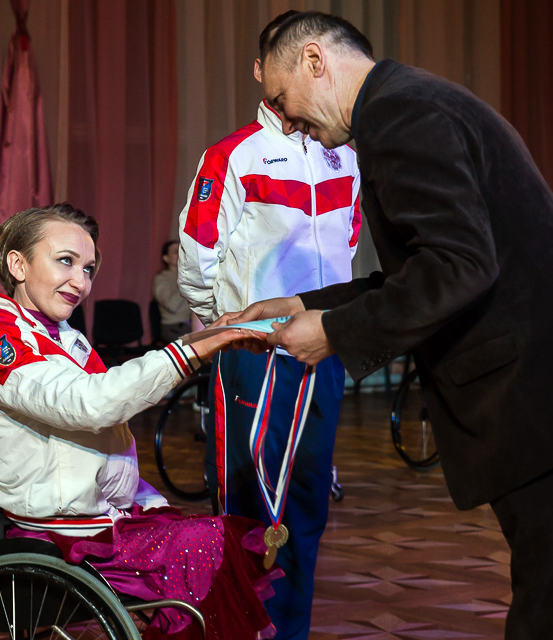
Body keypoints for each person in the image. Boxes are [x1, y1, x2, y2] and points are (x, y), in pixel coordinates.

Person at [227, 11, 553, 639]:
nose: (287, 123)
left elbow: (458, 267)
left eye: (282, 100)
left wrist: (334, 333)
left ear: (315, 60)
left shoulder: (399, 114)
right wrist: (303, 304)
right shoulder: (407, 101)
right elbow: (431, 266)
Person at [0, 203, 278, 640]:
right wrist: (194, 349)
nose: (81, 282)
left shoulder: (65, 338)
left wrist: (205, 337)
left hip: (95, 518)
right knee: (208, 545)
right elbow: (91, 404)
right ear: (18, 264)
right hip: (56, 533)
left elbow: (105, 436)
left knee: (217, 539)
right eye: (66, 261)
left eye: (88, 268)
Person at [176, 11, 361, 638]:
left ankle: (290, 630)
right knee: (247, 506)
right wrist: (228, 328)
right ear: (261, 70)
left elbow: (350, 244)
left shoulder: (345, 157)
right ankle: (237, 627)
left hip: (322, 353)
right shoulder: (233, 155)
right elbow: (196, 256)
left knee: (307, 506)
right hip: (254, 358)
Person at [151, 240, 192, 343]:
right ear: (166, 258)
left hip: (191, 324)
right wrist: (186, 281)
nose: (180, 254)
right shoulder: (161, 279)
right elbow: (171, 305)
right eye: (175, 252)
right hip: (174, 327)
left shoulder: (190, 275)